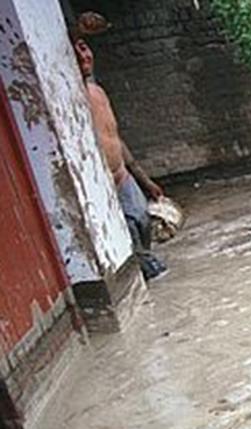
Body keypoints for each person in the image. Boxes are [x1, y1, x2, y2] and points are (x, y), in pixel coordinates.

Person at [72, 32, 168, 280]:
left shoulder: (97, 92)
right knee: (133, 244)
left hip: (124, 178)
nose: (84, 56)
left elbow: (116, 139)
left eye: (84, 48)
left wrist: (144, 180)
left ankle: (151, 270)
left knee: (143, 222)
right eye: (75, 51)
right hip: (103, 187)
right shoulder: (69, 98)